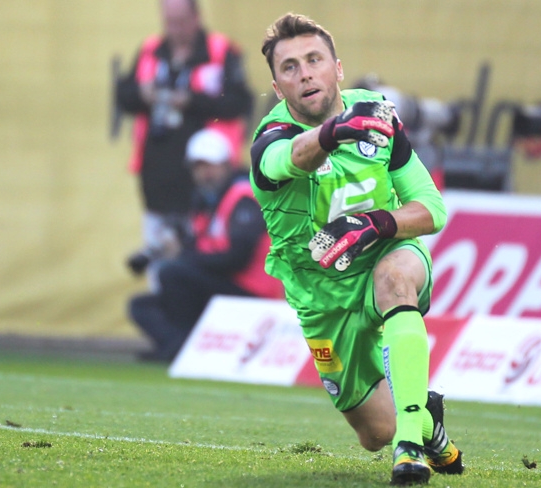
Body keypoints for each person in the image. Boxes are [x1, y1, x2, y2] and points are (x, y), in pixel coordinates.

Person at [249, 14, 462, 485]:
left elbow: (432, 208)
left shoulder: (379, 114)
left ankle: (411, 446)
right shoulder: (272, 137)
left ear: (337, 68)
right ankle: (425, 421)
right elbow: (285, 159)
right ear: (277, 86)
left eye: (313, 60)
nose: (304, 73)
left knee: (395, 278)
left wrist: (378, 223)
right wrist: (334, 133)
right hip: (322, 297)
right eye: (289, 67)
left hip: (383, 257)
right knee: (374, 432)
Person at [116, 0, 254, 287]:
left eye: (180, 21)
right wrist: (145, 95)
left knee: (197, 262)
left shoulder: (220, 51)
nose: (174, 30)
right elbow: (124, 96)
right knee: (158, 261)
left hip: (206, 180)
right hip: (158, 176)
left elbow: (240, 101)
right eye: (169, 22)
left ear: (195, 17)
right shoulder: (151, 50)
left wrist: (191, 100)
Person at [129, 128, 283, 362]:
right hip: (221, 285)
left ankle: (182, 347)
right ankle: (177, 346)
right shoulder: (205, 202)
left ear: (226, 164)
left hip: (250, 290)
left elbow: (237, 257)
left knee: (173, 273)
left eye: (210, 166)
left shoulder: (243, 195)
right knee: (141, 306)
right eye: (198, 167)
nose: (205, 173)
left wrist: (184, 257)